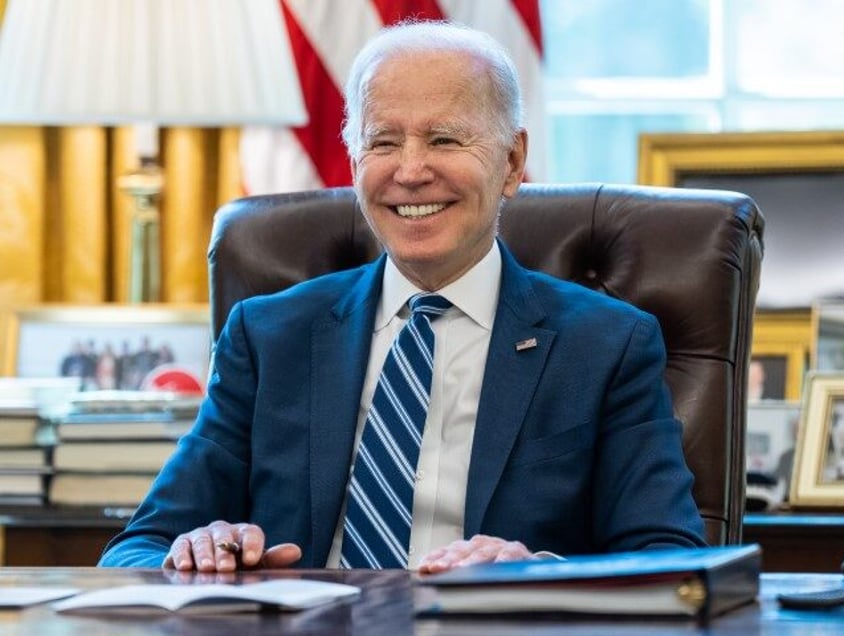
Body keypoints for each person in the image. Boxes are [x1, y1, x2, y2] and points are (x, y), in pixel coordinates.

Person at [99, 20, 706, 573]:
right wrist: (193, 553)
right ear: (355, 158)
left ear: (513, 161)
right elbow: (135, 549)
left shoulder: (605, 344)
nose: (410, 171)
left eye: (444, 140)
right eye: (384, 142)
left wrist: (540, 570)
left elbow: (673, 561)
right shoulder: (268, 335)